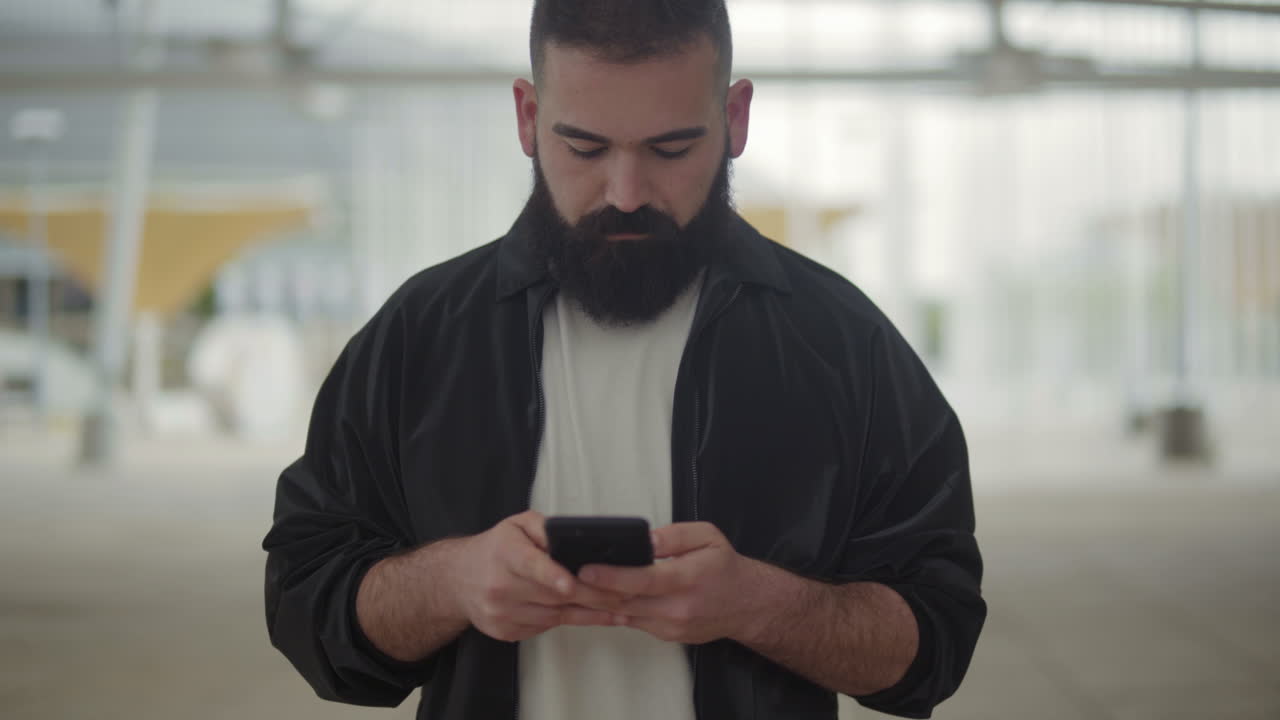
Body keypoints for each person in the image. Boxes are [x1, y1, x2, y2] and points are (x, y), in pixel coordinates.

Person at [262, 1, 985, 718]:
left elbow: (936, 644)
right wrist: (452, 582)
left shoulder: (841, 342)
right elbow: (307, 611)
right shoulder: (422, 334)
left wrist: (755, 603)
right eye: (585, 149)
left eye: (671, 150)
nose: (627, 193)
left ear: (735, 119)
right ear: (527, 117)